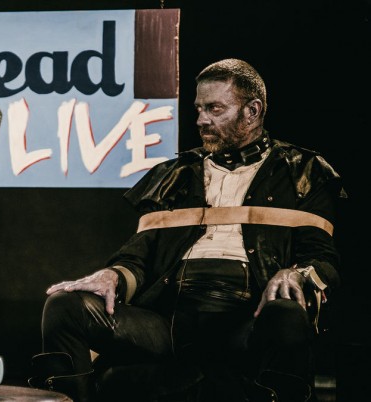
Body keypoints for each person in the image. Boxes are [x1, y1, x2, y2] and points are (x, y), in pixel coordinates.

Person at [31, 59, 345, 402]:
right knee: (64, 306)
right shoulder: (176, 174)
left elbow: (322, 259)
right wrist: (113, 275)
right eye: (199, 109)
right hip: (169, 320)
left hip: (248, 319)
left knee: (286, 315)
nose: (201, 120)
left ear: (252, 111)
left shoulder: (302, 171)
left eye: (215, 109)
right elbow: (139, 254)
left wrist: (296, 273)